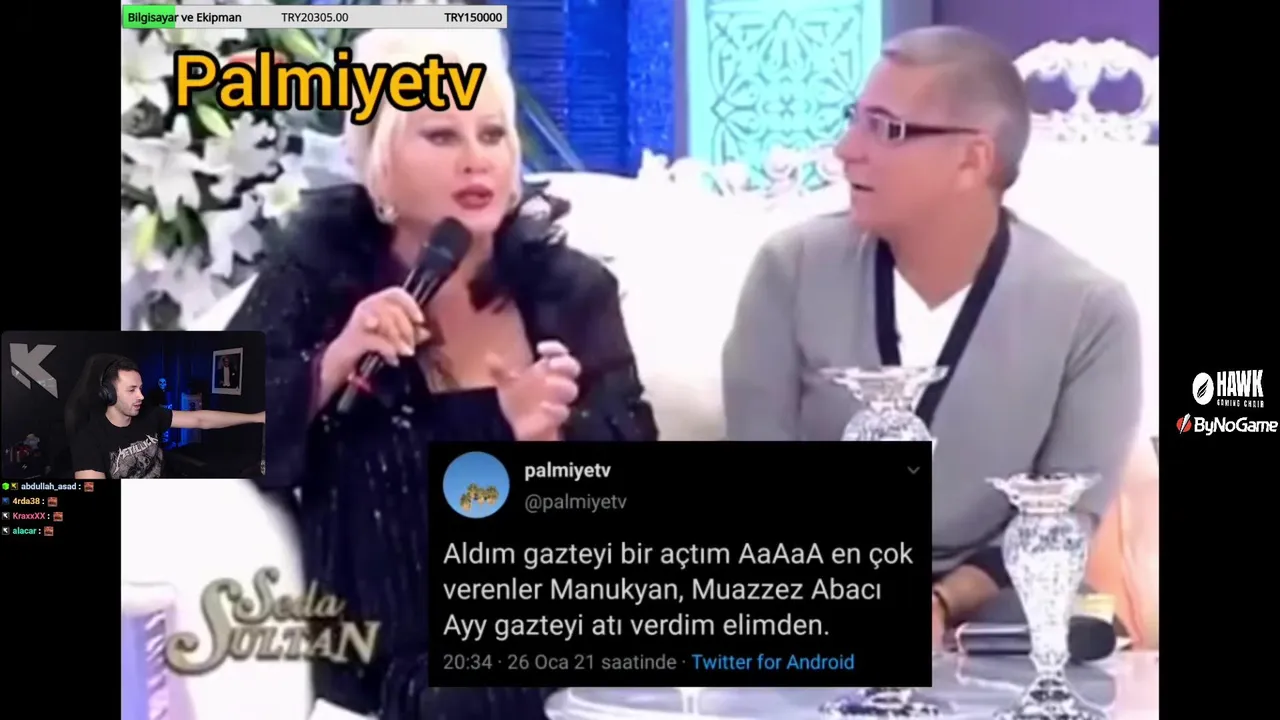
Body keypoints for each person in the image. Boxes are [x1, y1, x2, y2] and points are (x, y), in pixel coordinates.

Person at [226, 29, 657, 720]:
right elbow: (185, 423)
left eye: (493, 134)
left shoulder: (571, 292)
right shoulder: (318, 277)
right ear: (379, 159)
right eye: (441, 135)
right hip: (385, 654)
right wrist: (335, 360)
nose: (476, 159)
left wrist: (541, 442)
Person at [722, 27, 1142, 641]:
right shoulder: (791, 270)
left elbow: (1068, 518)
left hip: (1000, 608)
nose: (846, 150)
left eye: (886, 129)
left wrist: (941, 604)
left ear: (973, 160)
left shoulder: (1092, 312)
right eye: (855, 120)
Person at [69, 355, 265, 479]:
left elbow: (200, 419)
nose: (141, 396)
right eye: (131, 390)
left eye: (141, 388)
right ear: (109, 395)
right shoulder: (89, 439)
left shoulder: (151, 414)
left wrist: (256, 417)